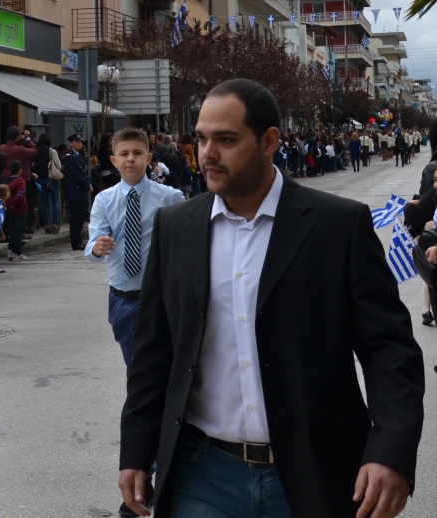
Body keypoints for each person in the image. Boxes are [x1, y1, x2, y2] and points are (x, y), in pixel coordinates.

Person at [119, 78, 423, 518]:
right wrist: (135, 450)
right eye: (201, 139)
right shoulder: (175, 227)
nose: (207, 154)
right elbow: (152, 352)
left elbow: (389, 350)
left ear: (269, 141)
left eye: (226, 140)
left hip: (313, 473)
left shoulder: (337, 226)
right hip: (201, 476)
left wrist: (391, 451)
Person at [85, 127, 184, 388]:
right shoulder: (104, 200)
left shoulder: (170, 197)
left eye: (138, 153)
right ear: (114, 160)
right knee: (134, 366)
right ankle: (144, 408)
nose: (131, 159)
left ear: (149, 157)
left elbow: (185, 243)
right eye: (124, 154)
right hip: (122, 298)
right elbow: (93, 245)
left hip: (158, 298)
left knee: (157, 368)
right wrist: (97, 248)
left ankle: (158, 409)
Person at [64, 133, 93, 251]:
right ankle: (75, 241)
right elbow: (74, 175)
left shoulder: (79, 156)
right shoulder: (69, 157)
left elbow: (84, 173)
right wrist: (86, 186)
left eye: (80, 141)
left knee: (81, 218)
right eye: (77, 141)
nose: (80, 143)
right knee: (75, 218)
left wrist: (88, 184)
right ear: (71, 143)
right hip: (75, 191)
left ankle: (79, 239)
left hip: (81, 191)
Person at [5, 161, 28, 262]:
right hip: (20, 208)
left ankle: (10, 251)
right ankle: (17, 252)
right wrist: (13, 203)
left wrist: (9, 204)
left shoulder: (7, 181)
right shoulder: (21, 181)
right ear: (20, 170)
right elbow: (20, 195)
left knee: (13, 231)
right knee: (19, 232)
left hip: (11, 210)